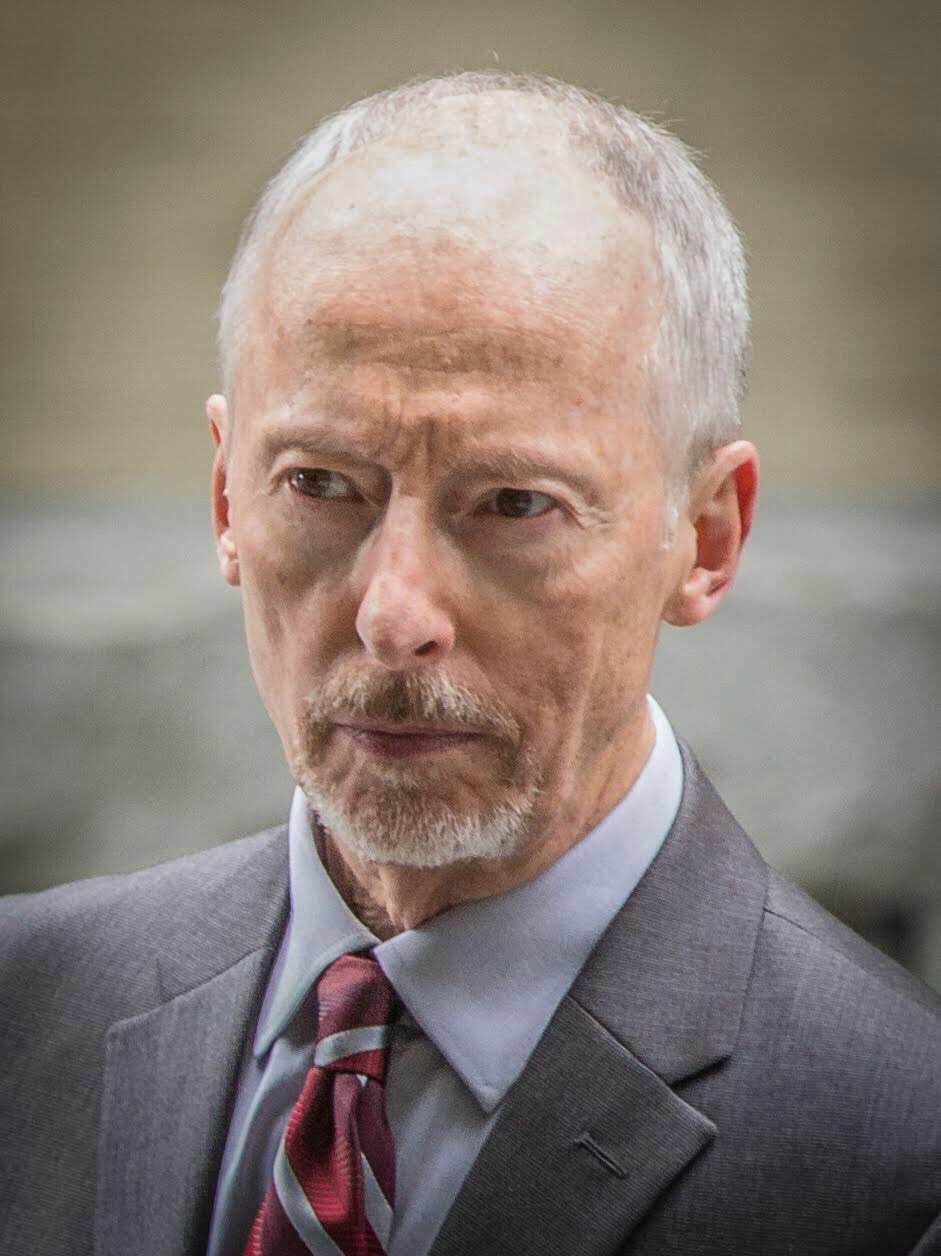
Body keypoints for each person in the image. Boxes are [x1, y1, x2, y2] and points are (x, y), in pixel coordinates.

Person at [1, 71, 938, 1256]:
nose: (394, 615)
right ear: (226, 497)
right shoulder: (23, 1007)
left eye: (512, 502)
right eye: (320, 484)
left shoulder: (899, 1157)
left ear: (705, 538)